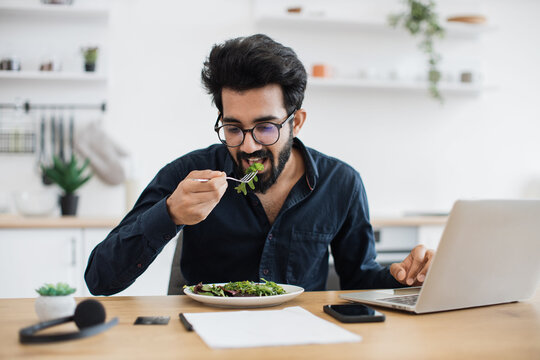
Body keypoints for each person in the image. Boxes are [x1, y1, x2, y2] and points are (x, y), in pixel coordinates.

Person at [85, 34, 433, 295]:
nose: (249, 145)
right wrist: (169, 212)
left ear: (296, 123)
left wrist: (402, 276)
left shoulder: (340, 183)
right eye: (234, 128)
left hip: (303, 341)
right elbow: (100, 279)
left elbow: (359, 280)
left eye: (265, 127)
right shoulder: (186, 174)